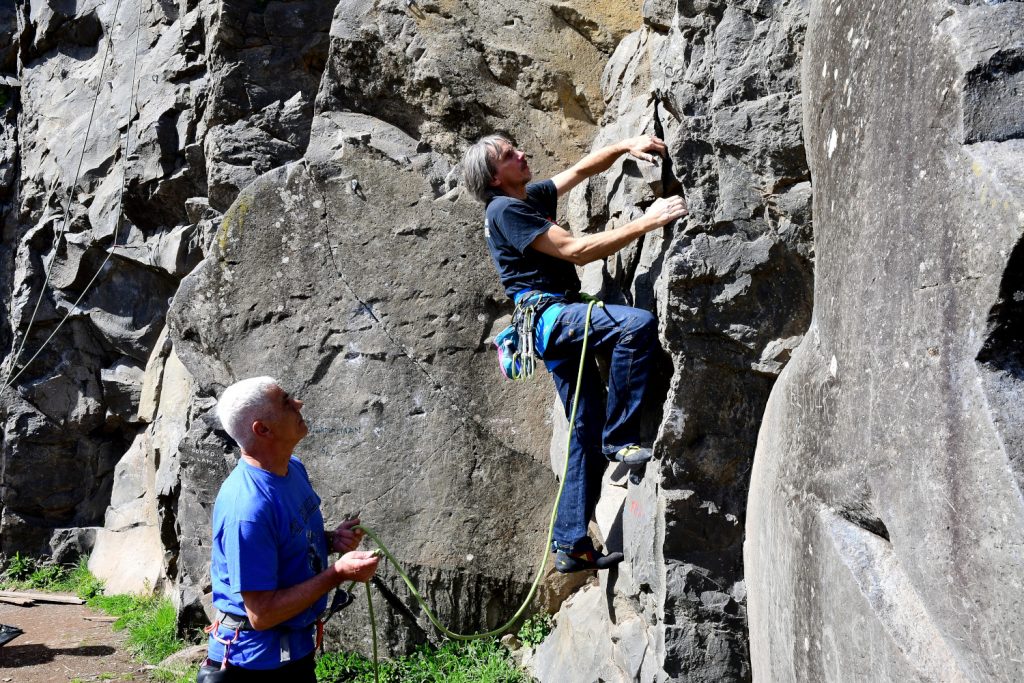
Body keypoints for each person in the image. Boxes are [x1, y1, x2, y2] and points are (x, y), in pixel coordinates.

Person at [463, 134, 687, 573]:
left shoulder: (525, 197)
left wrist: (623, 146)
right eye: (509, 155)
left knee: (584, 430)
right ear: (494, 177)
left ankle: (571, 544)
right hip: (553, 318)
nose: (522, 154)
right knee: (635, 326)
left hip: (553, 322)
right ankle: (620, 439)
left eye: (516, 148)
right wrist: (649, 221)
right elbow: (574, 250)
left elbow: (582, 170)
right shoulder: (505, 209)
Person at [198, 376, 379, 681]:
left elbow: (286, 541)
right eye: (285, 402)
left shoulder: (292, 468)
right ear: (263, 429)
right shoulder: (248, 509)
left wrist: (331, 541)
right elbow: (261, 614)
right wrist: (337, 574)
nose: (299, 403)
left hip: (294, 649)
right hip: (253, 664)